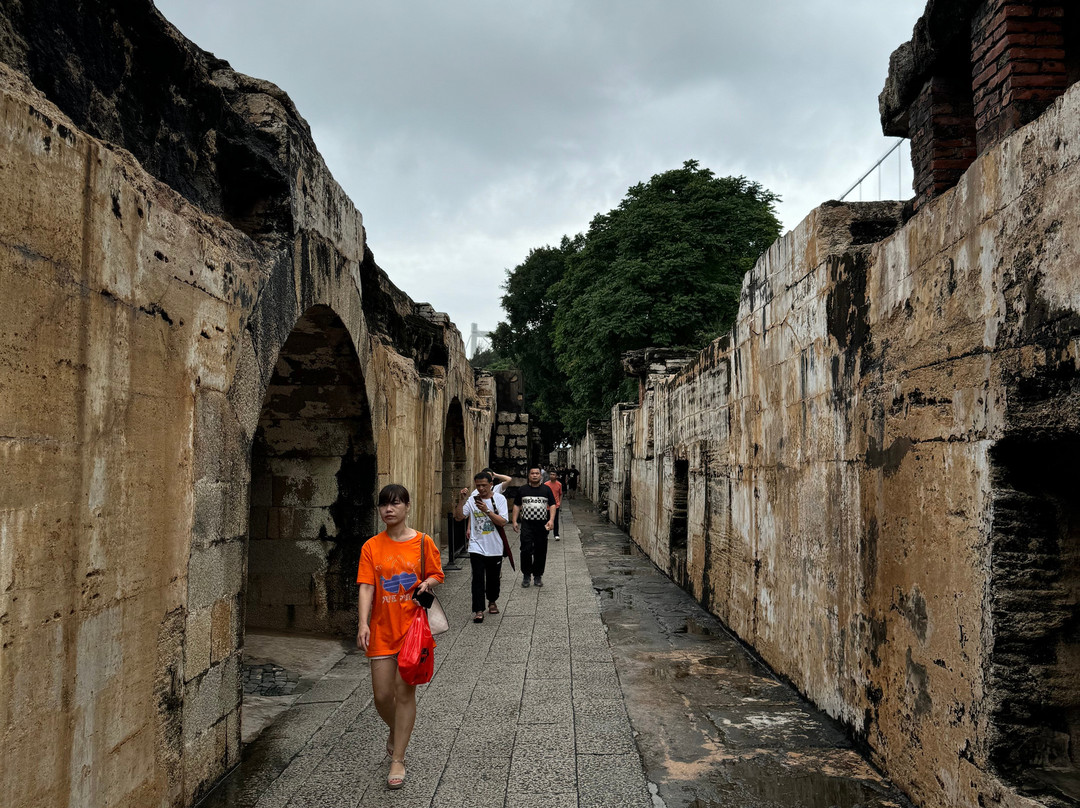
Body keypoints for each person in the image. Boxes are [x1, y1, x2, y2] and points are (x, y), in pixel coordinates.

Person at [356, 484, 444, 790]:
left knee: (404, 693)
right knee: (382, 695)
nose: (388, 509)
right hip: (382, 629)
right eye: (383, 505)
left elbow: (437, 573)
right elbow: (366, 585)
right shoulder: (371, 547)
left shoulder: (422, 542)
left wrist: (427, 583)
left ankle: (398, 758)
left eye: (395, 504)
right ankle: (397, 729)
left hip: (413, 630)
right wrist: (362, 624)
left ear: (407, 506)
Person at [456, 471, 509, 622]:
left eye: (484, 485)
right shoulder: (472, 500)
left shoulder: (499, 499)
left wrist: (486, 510)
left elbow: (503, 522)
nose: (481, 489)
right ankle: (478, 609)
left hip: (495, 546)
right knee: (477, 578)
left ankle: (492, 601)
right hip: (476, 545)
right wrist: (461, 500)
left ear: (491, 484)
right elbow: (459, 517)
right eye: (478, 486)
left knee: (493, 578)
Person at [510, 466, 556, 588]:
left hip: (542, 524)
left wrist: (551, 520)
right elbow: (516, 505)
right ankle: (526, 575)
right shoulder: (522, 490)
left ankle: (538, 576)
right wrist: (514, 521)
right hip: (527, 524)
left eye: (537, 473)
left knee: (540, 550)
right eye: (532, 473)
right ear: (529, 475)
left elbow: (552, 505)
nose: (535, 475)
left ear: (540, 475)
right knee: (525, 549)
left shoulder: (546, 490)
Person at [545, 469, 564, 541]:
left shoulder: (559, 484)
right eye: (551, 474)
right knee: (546, 520)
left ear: (556, 476)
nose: (552, 476)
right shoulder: (546, 484)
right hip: (547, 505)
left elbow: (560, 494)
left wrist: (559, 503)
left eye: (553, 475)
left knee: (555, 520)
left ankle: (556, 534)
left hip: (556, 505)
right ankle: (546, 534)